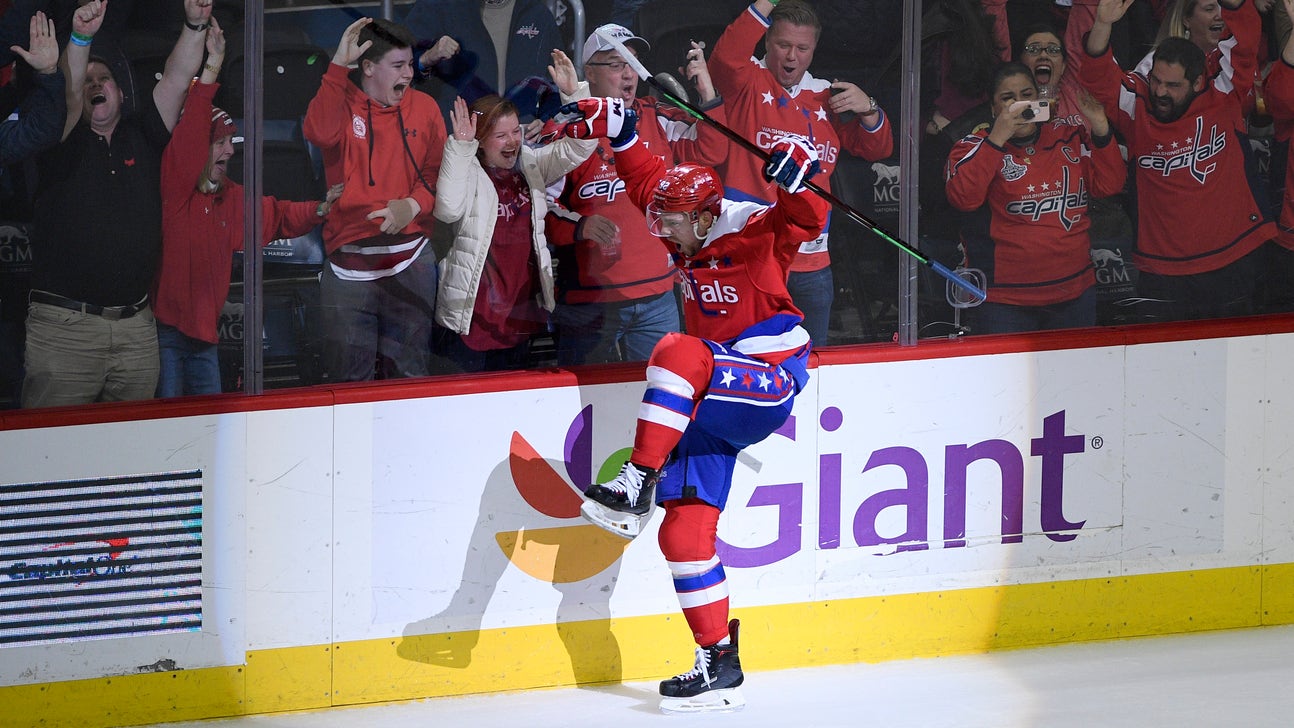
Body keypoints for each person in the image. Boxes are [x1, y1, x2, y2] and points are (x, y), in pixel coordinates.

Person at [554, 96, 828, 712]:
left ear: (706, 218)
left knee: (676, 348)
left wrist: (796, 174)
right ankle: (718, 660)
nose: (660, 232)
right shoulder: (675, 203)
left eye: (671, 224)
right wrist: (614, 122)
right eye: (657, 220)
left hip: (765, 377)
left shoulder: (755, 228)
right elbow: (638, 166)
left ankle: (635, 479)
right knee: (683, 537)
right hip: (713, 391)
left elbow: (806, 218)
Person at [22, 0, 207, 409]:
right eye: (87, 80)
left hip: (135, 331)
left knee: (131, 463)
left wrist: (195, 24)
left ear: (122, 92)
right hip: (65, 330)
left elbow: (178, 77)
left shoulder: (141, 135)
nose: (94, 85)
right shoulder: (60, 139)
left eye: (104, 78)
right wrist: (82, 36)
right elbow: (68, 92)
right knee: (55, 460)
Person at [153, 19, 342, 397]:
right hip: (166, 338)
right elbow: (189, 136)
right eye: (221, 142)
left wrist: (319, 209)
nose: (231, 150)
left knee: (203, 432)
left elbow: (279, 215)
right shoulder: (176, 190)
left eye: (231, 142)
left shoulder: (232, 198)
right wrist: (212, 66)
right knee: (165, 432)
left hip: (205, 339)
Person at [708, 0, 893, 346]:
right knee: (747, 368)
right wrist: (765, 3)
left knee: (814, 372)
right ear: (766, 42)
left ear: (814, 49)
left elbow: (877, 149)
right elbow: (723, 59)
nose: (791, 56)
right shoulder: (747, 80)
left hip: (811, 265)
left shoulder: (826, 95)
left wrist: (868, 107)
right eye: (783, 45)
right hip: (752, 261)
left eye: (802, 48)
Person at [545, 24, 727, 366]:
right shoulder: (569, 128)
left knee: (661, 393)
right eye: (616, 64)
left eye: (633, 63)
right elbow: (540, 209)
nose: (628, 74)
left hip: (659, 297)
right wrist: (581, 227)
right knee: (589, 407)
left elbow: (712, 150)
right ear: (590, 73)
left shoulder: (656, 116)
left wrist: (707, 92)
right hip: (591, 303)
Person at [1083, 0, 1273, 323]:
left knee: (1235, 365)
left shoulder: (1222, 91)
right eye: (1157, 80)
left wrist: (1232, 4)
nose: (1161, 92)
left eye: (1173, 86)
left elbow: (1246, 41)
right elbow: (1099, 80)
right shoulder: (1139, 106)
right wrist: (1102, 24)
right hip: (1162, 269)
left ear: (1198, 82)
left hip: (1232, 258)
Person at [432, 51, 596, 372]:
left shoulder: (530, 165)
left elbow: (579, 148)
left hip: (520, 319)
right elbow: (448, 210)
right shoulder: (467, 171)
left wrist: (575, 96)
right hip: (473, 322)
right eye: (501, 135)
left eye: (516, 132)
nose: (513, 142)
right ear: (481, 141)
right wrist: (459, 147)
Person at [303, 17, 447, 382]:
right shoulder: (339, 102)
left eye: (410, 64)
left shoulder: (426, 108)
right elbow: (317, 132)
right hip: (349, 270)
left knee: (411, 378)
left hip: (411, 262)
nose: (409, 74)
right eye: (398, 66)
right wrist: (337, 65)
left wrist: (412, 205)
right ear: (368, 67)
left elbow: (437, 176)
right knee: (351, 388)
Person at [945, 62, 1127, 333]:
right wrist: (997, 139)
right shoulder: (971, 146)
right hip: (1006, 301)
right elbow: (963, 198)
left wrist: (1100, 125)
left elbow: (1109, 185)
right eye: (1008, 99)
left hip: (1074, 292)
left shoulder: (1067, 136)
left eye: (1026, 95)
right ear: (994, 109)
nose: (1020, 104)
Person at [402, 0, 562, 138]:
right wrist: (427, 58)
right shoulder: (437, 7)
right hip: (457, 140)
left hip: (521, 144)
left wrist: (547, 118)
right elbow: (397, 68)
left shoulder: (538, 14)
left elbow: (556, 82)